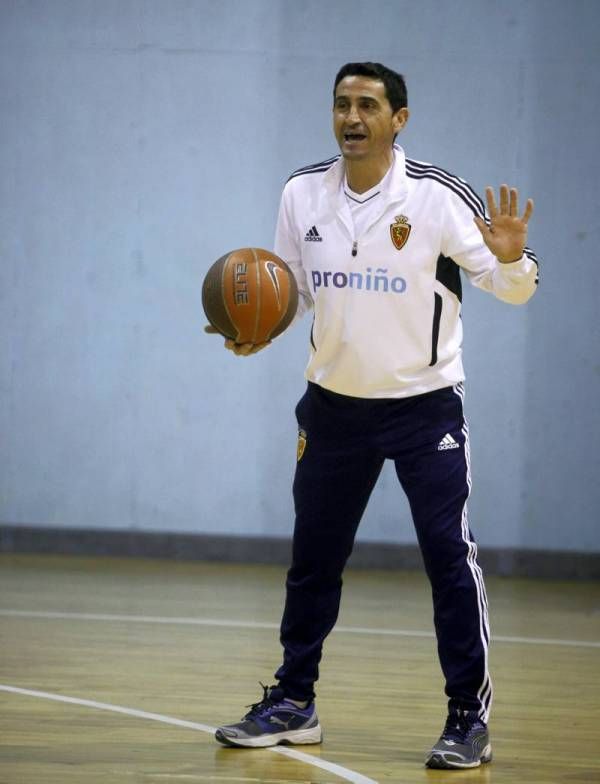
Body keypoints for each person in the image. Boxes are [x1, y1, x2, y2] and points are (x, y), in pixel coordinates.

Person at [208, 62, 538, 770]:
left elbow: (509, 288)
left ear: (400, 119)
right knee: (313, 563)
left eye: (367, 105)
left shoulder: (436, 197)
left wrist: (512, 260)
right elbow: (290, 290)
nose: (351, 118)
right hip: (332, 407)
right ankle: (294, 702)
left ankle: (466, 718)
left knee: (451, 560)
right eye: (340, 105)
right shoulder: (302, 193)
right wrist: (254, 329)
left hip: (425, 411)